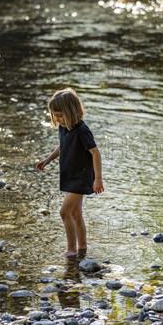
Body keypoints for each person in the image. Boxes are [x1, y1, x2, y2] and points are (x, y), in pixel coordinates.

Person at [36, 87, 104, 257]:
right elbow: (63, 146)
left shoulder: (82, 130)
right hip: (70, 174)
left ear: (71, 111)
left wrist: (98, 180)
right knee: (75, 213)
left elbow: (95, 153)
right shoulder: (64, 128)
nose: (57, 119)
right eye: (54, 116)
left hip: (80, 176)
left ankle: (71, 249)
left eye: (60, 115)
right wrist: (48, 159)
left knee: (64, 211)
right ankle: (82, 248)